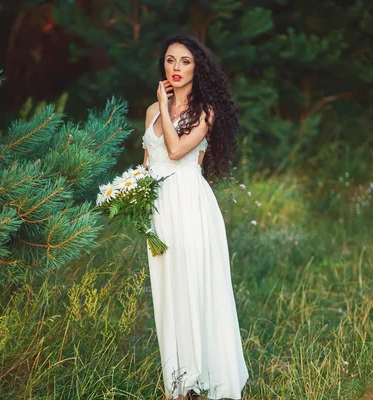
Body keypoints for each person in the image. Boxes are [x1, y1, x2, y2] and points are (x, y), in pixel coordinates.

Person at [141, 34, 249, 400]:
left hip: (189, 204)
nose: (176, 68)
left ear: (197, 68)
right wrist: (133, 199)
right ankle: (179, 383)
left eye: (185, 61)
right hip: (159, 210)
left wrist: (163, 104)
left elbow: (174, 151)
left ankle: (203, 378)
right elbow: (146, 166)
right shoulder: (152, 112)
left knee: (194, 289)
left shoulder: (205, 111)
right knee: (167, 292)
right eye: (170, 60)